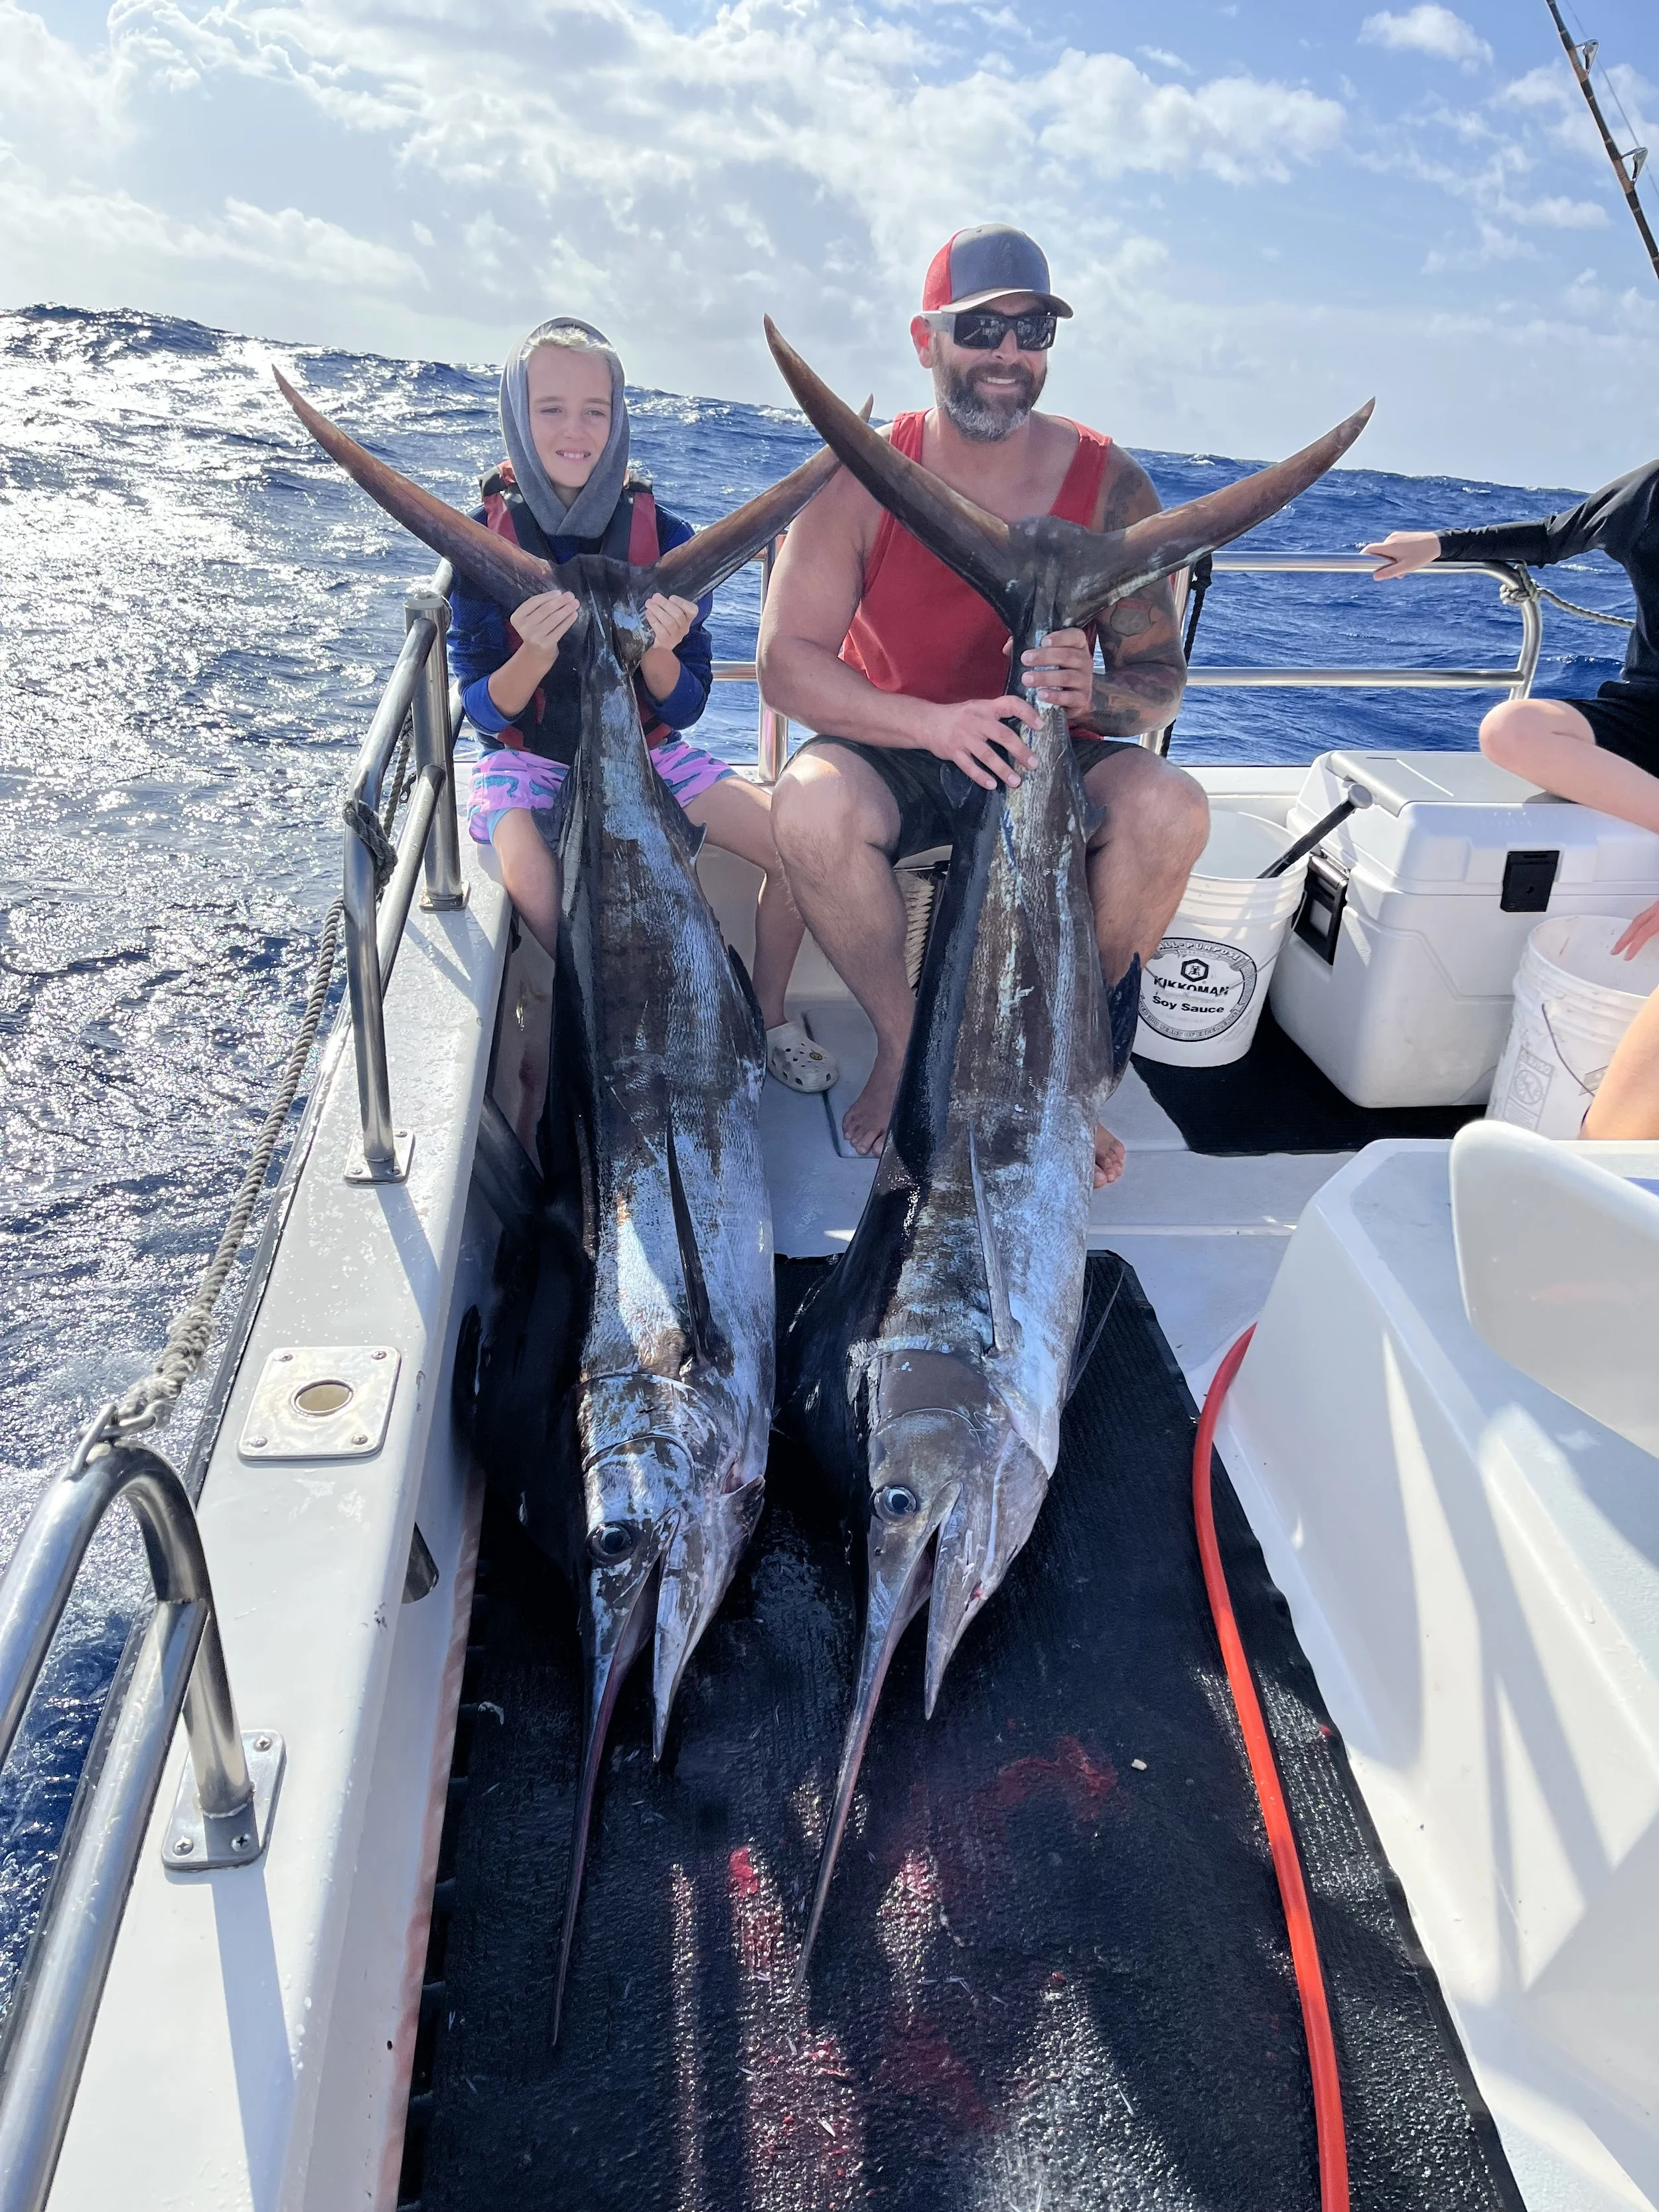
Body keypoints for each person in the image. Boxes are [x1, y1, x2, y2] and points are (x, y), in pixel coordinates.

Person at [757, 226, 1207, 1180]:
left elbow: (1159, 680)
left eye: (1032, 329)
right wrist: (935, 724)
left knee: (1174, 812)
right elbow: (786, 667)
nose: (1009, 353)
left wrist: (1103, 693)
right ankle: (910, 1045)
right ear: (927, 341)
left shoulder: (1110, 481)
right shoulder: (861, 479)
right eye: (981, 328)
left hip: (1050, 748)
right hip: (907, 741)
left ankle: (1057, 1071)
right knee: (809, 806)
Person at [449, 315, 837, 1094]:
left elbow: (688, 705)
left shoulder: (671, 538)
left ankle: (763, 1017)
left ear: (620, 417)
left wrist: (656, 648)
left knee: (802, 856)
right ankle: (573, 1045)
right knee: (541, 896)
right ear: (515, 416)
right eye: (550, 407)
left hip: (652, 755)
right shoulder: (478, 546)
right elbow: (487, 714)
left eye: (596, 409)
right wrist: (533, 650)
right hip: (532, 763)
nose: (575, 429)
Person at [1366, 463, 1659, 1140]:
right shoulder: (1649, 493)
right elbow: (1556, 536)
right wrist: (1438, 544)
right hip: (1642, 720)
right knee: (1509, 729)